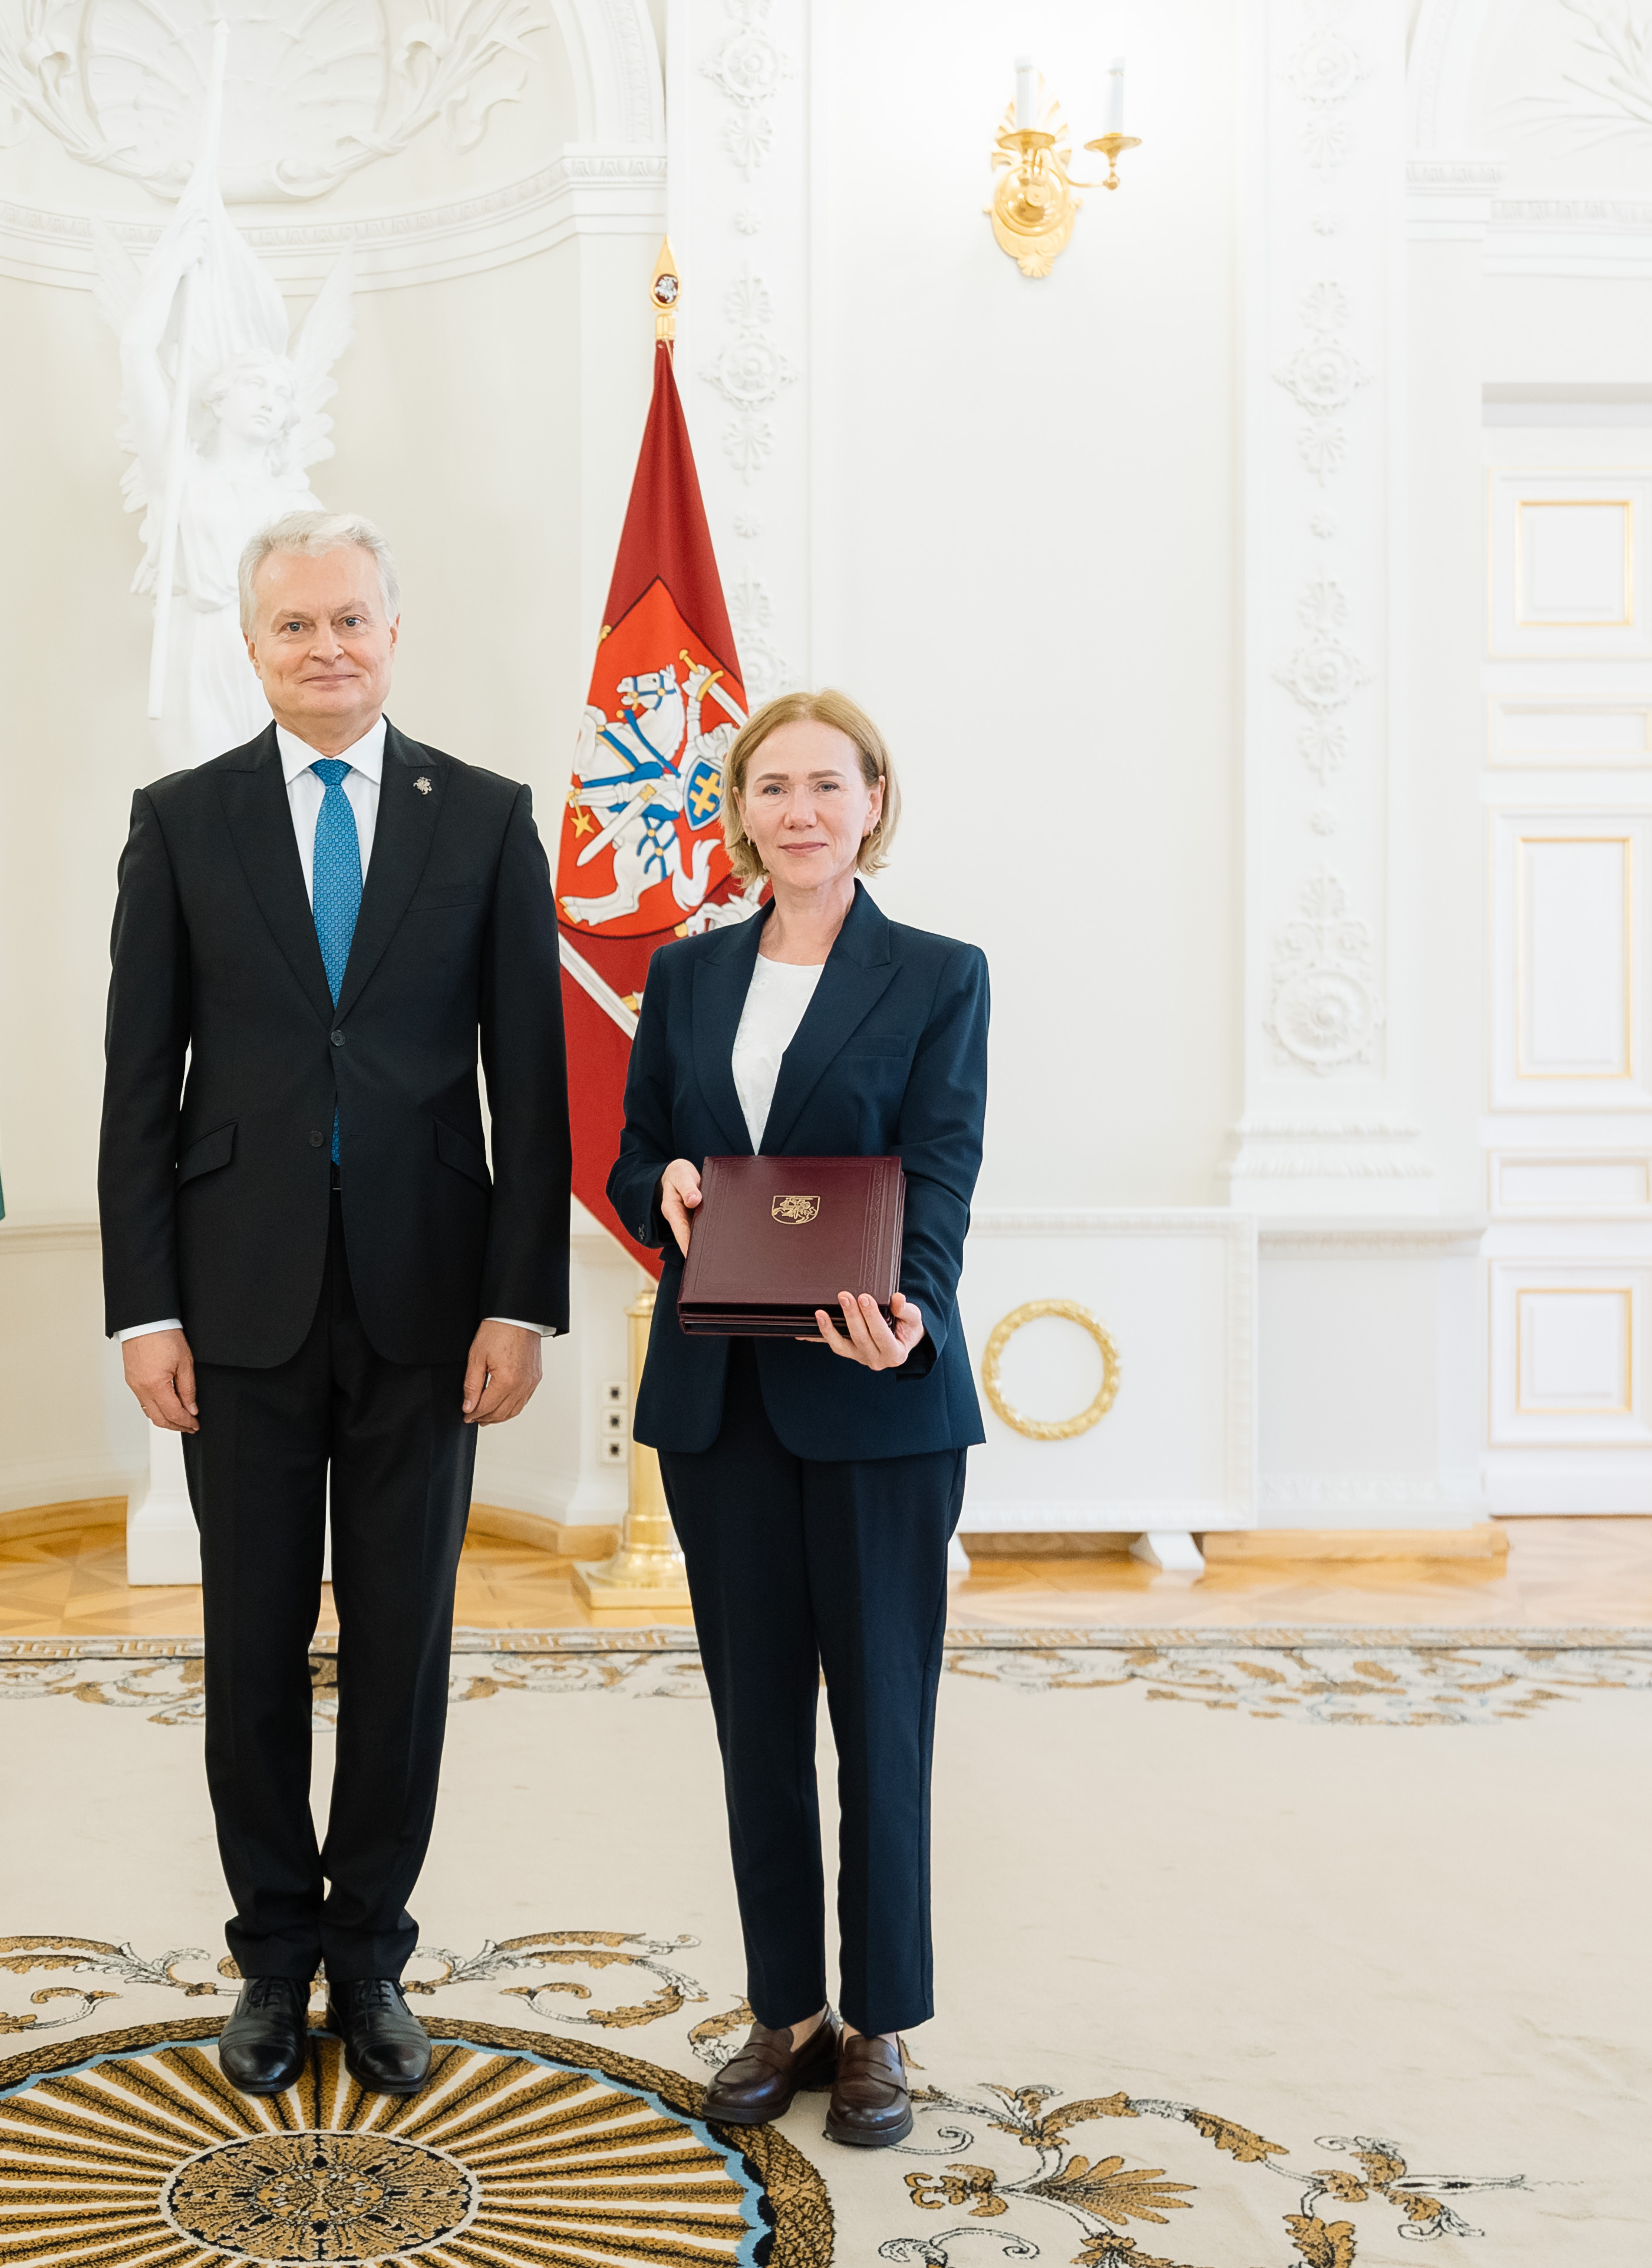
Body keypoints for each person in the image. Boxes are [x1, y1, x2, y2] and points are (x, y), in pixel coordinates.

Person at [100, 510, 568, 2098]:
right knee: (247, 1643)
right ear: (250, 646)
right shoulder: (180, 821)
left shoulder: (487, 819)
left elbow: (531, 1084)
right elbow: (136, 1086)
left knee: (399, 1644)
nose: (326, 646)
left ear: (393, 632)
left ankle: (367, 1956)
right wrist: (141, 1310)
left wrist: (519, 1302)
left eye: (350, 618)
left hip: (432, 1306)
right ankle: (269, 1955)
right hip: (233, 1304)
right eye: (294, 624)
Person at [605, 688, 989, 2151]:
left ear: (873, 801)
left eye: (828, 783)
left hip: (877, 1392)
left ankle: (879, 2018)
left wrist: (914, 1312)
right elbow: (640, 1152)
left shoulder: (939, 973)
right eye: (773, 786)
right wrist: (663, 1185)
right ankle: (783, 2008)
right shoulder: (686, 973)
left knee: (881, 1718)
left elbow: (940, 1165)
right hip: (723, 1399)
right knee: (755, 1721)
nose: (801, 810)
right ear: (740, 810)